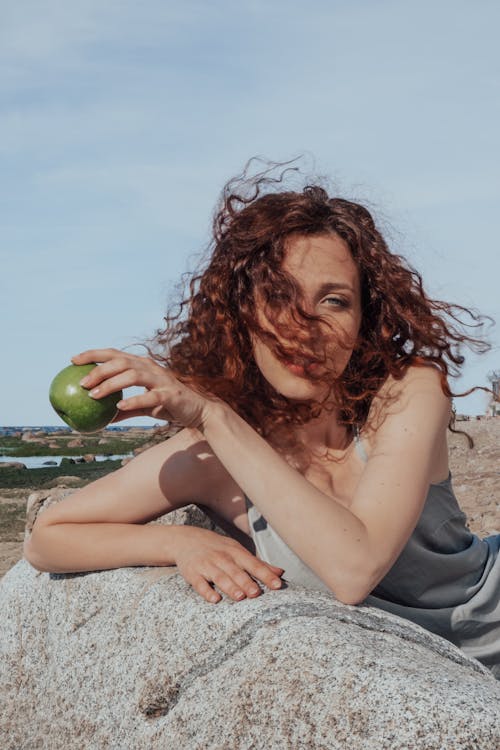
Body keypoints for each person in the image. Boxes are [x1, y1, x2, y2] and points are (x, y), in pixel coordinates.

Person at [24, 159, 499, 679]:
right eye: (278, 296)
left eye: (334, 300)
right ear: (240, 313)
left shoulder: (407, 389)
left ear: (365, 319)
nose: (305, 327)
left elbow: (354, 568)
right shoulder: (215, 459)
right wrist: (180, 542)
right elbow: (48, 537)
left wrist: (212, 416)